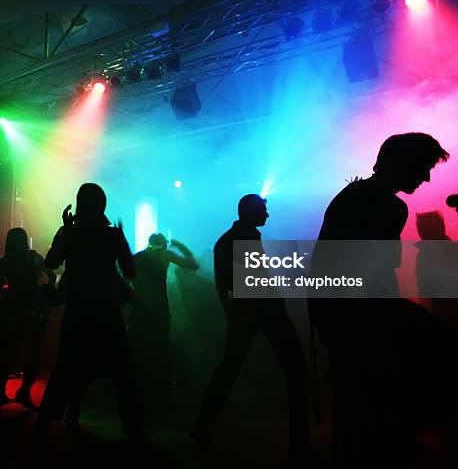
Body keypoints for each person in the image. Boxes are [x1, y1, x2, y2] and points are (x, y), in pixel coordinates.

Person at [309, 133, 450, 468]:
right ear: (404, 163)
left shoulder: (359, 197)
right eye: (423, 168)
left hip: (341, 313)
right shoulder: (384, 205)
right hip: (354, 316)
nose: (426, 177)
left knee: (357, 404)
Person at [192, 194, 311, 466]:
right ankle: (300, 442)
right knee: (296, 371)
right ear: (251, 212)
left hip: (248, 311)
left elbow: (225, 283)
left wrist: (232, 312)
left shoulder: (231, 239)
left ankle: (202, 427)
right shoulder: (241, 239)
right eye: (264, 211)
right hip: (262, 310)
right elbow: (235, 282)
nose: (267, 215)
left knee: (229, 369)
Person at [35, 183, 142, 445]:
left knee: (67, 368)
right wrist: (122, 239)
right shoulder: (113, 236)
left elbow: (50, 263)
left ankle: (44, 427)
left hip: (79, 311)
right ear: (103, 206)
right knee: (121, 371)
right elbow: (130, 271)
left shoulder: (71, 234)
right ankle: (133, 430)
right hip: (107, 312)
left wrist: (64, 231)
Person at [129, 233, 199, 408]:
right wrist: (181, 245)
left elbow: (126, 280)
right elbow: (193, 265)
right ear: (163, 244)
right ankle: (162, 397)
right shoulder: (164, 254)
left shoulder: (136, 257)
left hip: (139, 310)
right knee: (161, 351)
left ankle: (139, 395)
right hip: (159, 310)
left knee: (138, 351)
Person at [0, 227, 55, 407]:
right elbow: (51, 273)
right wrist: (45, 291)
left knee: (9, 352)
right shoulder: (33, 257)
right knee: (35, 353)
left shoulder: (5, 261)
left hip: (12, 309)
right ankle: (25, 391)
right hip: (33, 308)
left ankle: (0, 392)